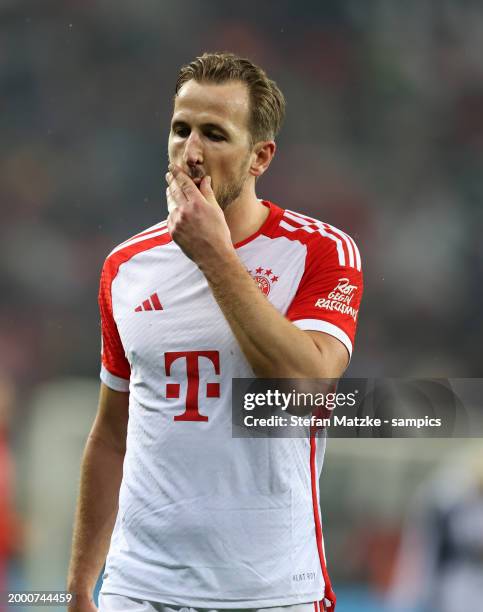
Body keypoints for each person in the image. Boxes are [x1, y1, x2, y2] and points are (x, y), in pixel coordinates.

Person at [67, 52, 363, 612]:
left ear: (260, 157)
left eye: (214, 134)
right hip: (138, 587)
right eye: (181, 130)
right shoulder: (125, 268)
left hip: (270, 590)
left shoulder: (320, 251)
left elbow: (306, 385)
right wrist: (82, 584)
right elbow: (111, 434)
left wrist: (214, 257)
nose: (192, 153)